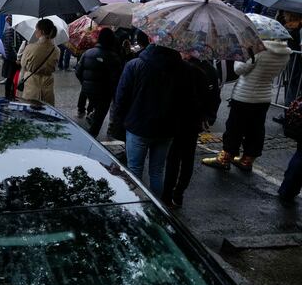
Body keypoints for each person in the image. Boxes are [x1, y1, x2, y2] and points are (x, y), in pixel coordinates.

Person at [203, 38, 292, 171]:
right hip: (264, 96)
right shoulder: (285, 53)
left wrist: (241, 55)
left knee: (234, 127)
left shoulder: (256, 50)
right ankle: (247, 160)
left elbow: (239, 70)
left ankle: (225, 157)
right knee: (256, 129)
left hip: (245, 95)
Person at [113, 43, 184, 196]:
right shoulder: (181, 68)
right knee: (157, 171)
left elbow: (121, 97)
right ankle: (155, 210)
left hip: (138, 126)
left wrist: (123, 120)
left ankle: (137, 206)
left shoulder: (135, 65)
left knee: (134, 170)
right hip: (166, 129)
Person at [162, 57, 220, 207]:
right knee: (188, 158)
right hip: (195, 122)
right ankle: (179, 193)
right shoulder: (210, 70)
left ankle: (168, 195)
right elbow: (214, 98)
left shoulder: (180, 68)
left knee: (174, 158)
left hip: (178, 120)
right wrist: (209, 117)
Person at [74, 28, 123, 137]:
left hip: (88, 90)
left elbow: (78, 71)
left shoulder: (88, 53)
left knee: (93, 105)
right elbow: (116, 79)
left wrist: (85, 82)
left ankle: (90, 117)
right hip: (104, 94)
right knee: (99, 118)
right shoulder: (114, 57)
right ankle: (92, 137)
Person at [20, 18, 59, 105]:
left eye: (36, 29)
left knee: (31, 111)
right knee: (46, 111)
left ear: (42, 31)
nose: (35, 31)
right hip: (48, 86)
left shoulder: (30, 47)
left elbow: (23, 65)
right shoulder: (56, 50)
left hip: (31, 86)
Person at [1, 16, 21, 99]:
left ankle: (11, 95)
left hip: (10, 58)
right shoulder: (10, 30)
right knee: (10, 78)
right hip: (11, 59)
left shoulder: (13, 30)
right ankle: (8, 96)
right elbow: (10, 46)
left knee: (12, 78)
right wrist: (17, 57)